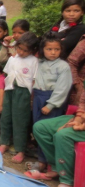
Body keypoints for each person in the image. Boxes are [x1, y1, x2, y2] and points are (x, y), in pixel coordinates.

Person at [0, 32, 40, 164]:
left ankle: (20, 150)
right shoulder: (13, 59)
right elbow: (6, 75)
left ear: (33, 50)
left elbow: (34, 81)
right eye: (19, 48)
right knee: (6, 117)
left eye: (25, 50)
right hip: (10, 90)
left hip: (23, 93)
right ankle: (4, 142)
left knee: (20, 121)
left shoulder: (34, 61)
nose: (20, 52)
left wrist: (32, 99)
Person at [32, 32, 72, 166]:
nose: (53, 52)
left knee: (48, 130)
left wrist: (51, 105)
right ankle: (41, 157)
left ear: (61, 50)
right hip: (38, 97)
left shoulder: (63, 66)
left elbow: (62, 88)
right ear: (43, 49)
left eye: (57, 49)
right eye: (49, 49)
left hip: (51, 100)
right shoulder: (40, 62)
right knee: (37, 126)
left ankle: (48, 161)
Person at [30, 87, 85, 186]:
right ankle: (57, 167)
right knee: (40, 127)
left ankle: (66, 179)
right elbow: (82, 105)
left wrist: (81, 126)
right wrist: (77, 120)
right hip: (81, 119)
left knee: (62, 135)